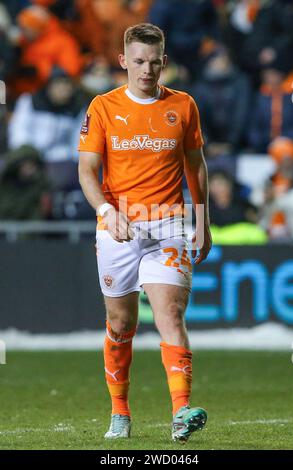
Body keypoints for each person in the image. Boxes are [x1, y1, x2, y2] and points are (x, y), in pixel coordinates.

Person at [78, 23, 212, 443]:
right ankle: (120, 411)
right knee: (121, 322)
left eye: (154, 63)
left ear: (164, 63)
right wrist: (105, 209)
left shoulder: (184, 106)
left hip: (169, 223)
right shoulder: (102, 106)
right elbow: (85, 170)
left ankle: (181, 411)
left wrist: (203, 220)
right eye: (138, 61)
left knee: (170, 314)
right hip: (118, 225)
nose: (146, 70)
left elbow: (196, 165)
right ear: (123, 62)